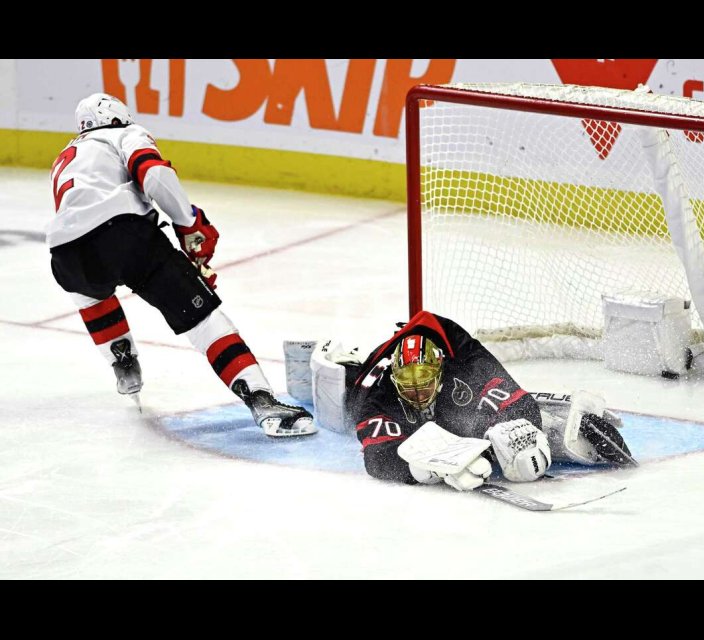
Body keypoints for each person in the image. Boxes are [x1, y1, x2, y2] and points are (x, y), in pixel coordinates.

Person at [47, 93, 315, 437]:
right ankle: (262, 399)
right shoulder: (125, 133)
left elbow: (83, 224)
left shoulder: (66, 156)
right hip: (125, 235)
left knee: (89, 293)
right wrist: (188, 223)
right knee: (205, 321)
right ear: (119, 116)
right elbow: (154, 175)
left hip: (64, 254)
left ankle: (122, 360)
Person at [344, 311, 634, 490]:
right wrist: (420, 468)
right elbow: (376, 457)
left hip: (453, 360)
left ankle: (552, 425)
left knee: (487, 424)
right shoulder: (377, 392)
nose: (418, 394)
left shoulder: (466, 364)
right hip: (363, 377)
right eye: (410, 387)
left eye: (425, 384)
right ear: (395, 380)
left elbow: (519, 401)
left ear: (442, 372)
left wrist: (516, 431)